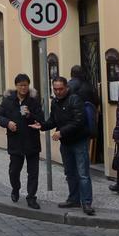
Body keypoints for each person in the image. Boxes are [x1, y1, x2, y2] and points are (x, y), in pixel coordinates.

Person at [31, 77, 94, 215]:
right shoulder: (55, 102)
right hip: (66, 143)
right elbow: (54, 120)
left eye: (60, 89)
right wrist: (42, 126)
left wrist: (61, 132)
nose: (58, 92)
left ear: (66, 88)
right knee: (70, 173)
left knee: (83, 173)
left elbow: (79, 121)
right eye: (55, 89)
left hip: (79, 141)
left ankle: (87, 203)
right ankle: (73, 199)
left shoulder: (75, 99)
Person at [0, 74, 45, 209]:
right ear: (16, 86)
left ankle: (31, 197)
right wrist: (8, 123)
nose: (23, 87)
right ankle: (15, 189)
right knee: (14, 171)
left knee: (33, 172)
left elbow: (41, 119)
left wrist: (30, 115)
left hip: (32, 141)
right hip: (15, 141)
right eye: (21, 85)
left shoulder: (34, 101)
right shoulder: (8, 101)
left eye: (26, 85)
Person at [67, 65, 98, 136]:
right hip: (86, 120)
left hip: (70, 122)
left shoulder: (66, 87)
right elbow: (96, 101)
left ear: (71, 74)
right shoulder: (88, 86)